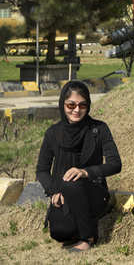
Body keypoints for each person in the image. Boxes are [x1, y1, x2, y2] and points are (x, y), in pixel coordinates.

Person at [36, 80, 121, 252]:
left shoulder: (99, 129)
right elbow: (42, 170)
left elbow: (115, 164)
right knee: (60, 233)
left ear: (88, 105)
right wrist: (54, 190)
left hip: (94, 193)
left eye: (82, 105)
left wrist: (85, 172)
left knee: (72, 182)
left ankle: (87, 238)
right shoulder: (53, 133)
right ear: (63, 104)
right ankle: (77, 227)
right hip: (63, 194)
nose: (77, 110)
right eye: (71, 105)